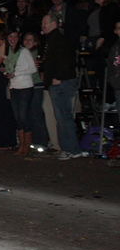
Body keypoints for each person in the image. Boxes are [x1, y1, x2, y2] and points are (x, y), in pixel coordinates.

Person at [40, 13, 85, 159]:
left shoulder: (58, 39)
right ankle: (67, 148)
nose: (43, 26)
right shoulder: (52, 40)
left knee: (63, 117)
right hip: (57, 82)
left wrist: (58, 77)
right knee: (61, 118)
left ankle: (72, 149)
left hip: (61, 84)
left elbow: (67, 59)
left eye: (45, 23)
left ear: (54, 23)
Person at [4, 31, 37, 156]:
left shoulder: (23, 52)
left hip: (25, 87)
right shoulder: (9, 53)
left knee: (23, 116)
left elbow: (33, 68)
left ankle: (26, 145)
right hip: (14, 86)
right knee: (18, 118)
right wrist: (7, 73)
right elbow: (8, 68)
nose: (12, 39)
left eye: (15, 37)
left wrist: (16, 73)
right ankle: (21, 145)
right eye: (10, 36)